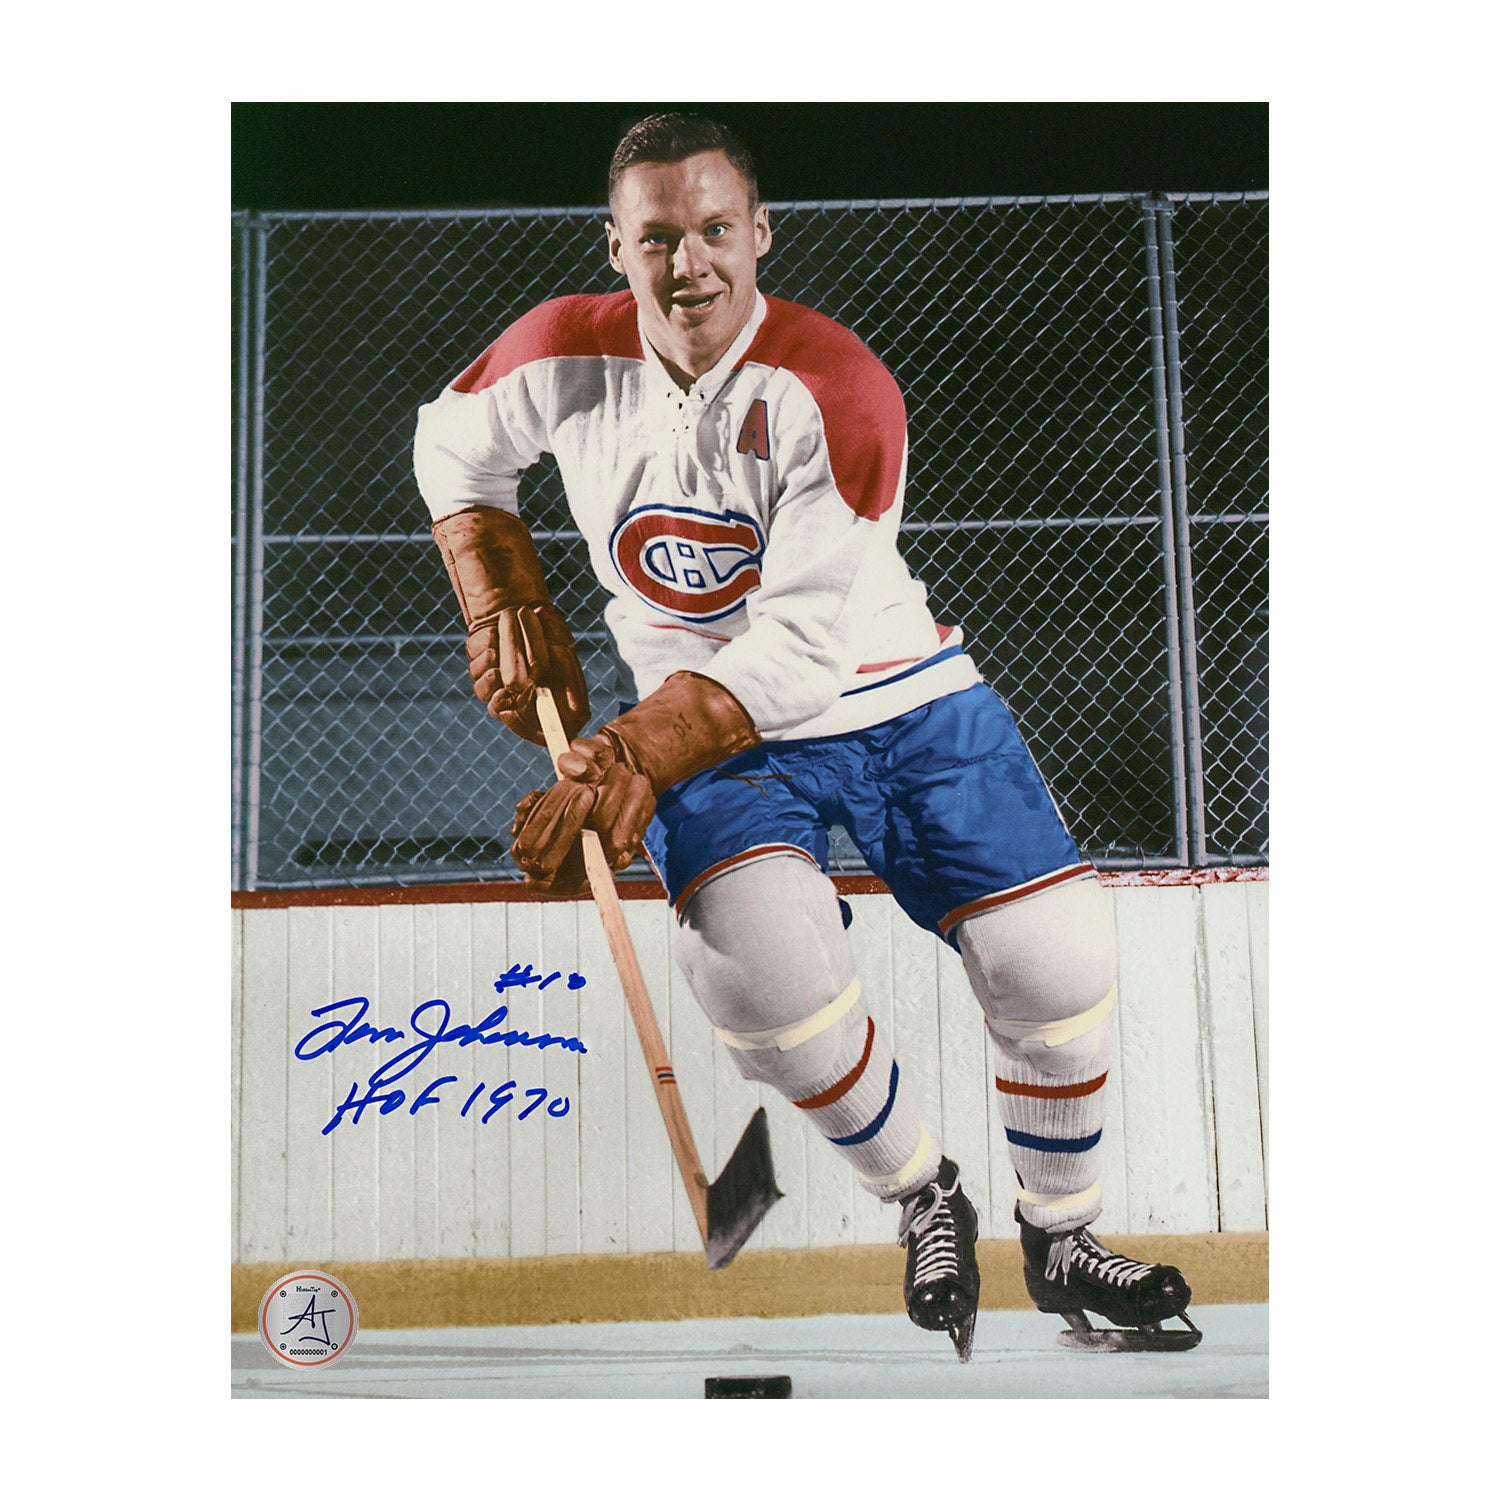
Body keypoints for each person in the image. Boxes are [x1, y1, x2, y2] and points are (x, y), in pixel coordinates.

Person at [413, 111, 1197, 1359]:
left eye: (715, 230)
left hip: (893, 691)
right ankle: (925, 1196)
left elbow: (797, 653)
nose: (689, 263)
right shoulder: (557, 353)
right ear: (614, 246)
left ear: (760, 233)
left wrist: (630, 754)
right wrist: (495, 586)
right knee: (760, 984)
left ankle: (1062, 1234)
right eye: (657, 237)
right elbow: (450, 440)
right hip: (711, 731)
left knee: (1054, 959)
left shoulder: (838, 389)